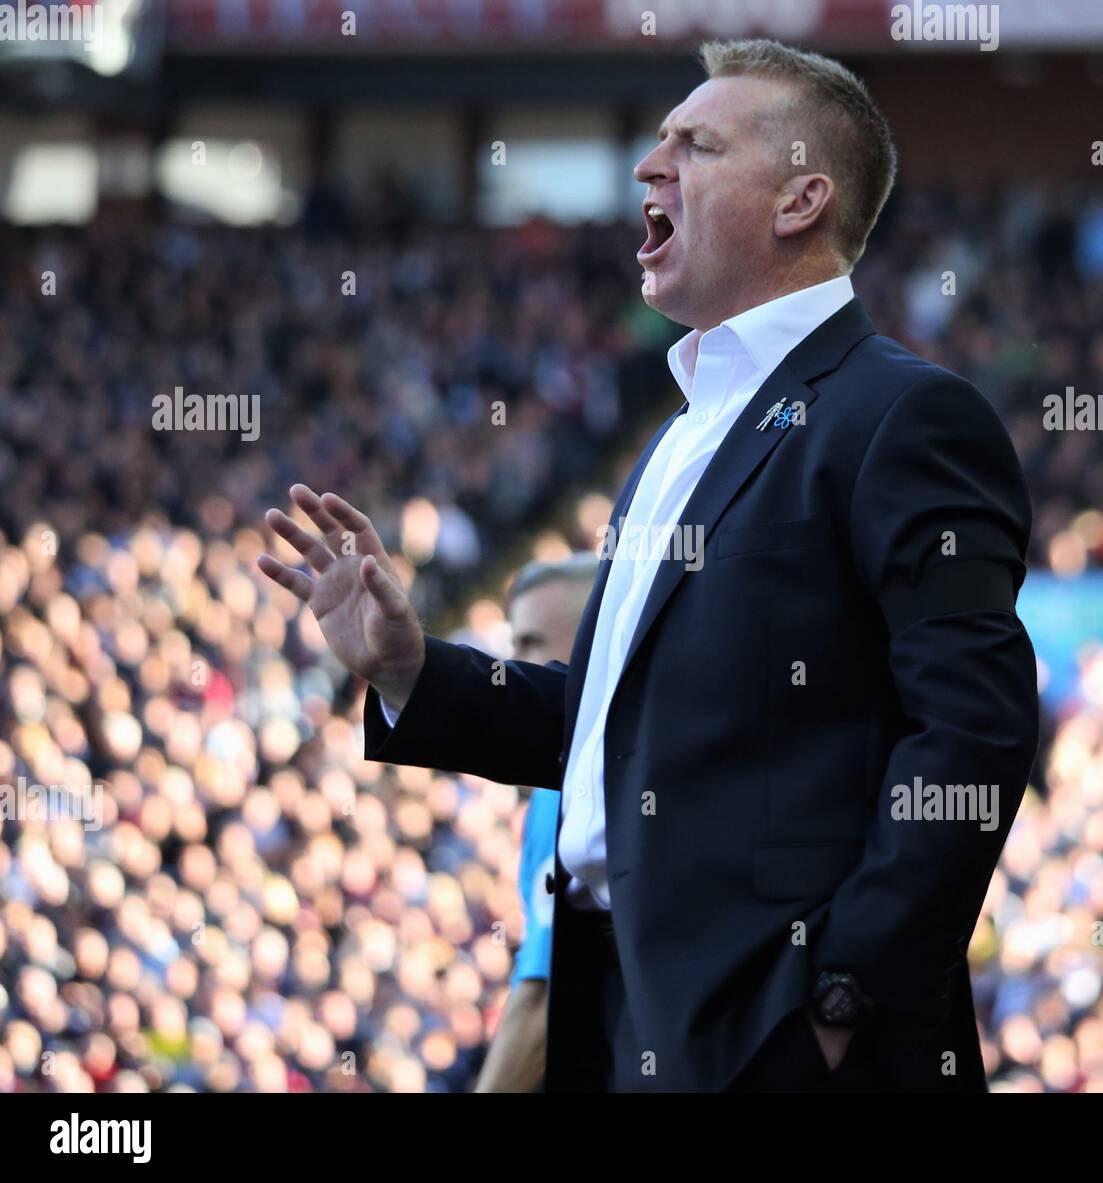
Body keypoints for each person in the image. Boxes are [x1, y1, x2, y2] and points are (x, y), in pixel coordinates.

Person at [258, 37, 1039, 1092]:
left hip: (772, 1034)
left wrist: (840, 1004)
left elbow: (971, 735)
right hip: (618, 1016)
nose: (647, 166)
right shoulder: (677, 437)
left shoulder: (903, 414)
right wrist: (412, 671)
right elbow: (618, 726)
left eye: (696, 145)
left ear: (800, 199)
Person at [474, 555, 599, 1093]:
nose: (510, 665)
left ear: (591, 637)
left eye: (529, 643)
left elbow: (545, 994)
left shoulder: (566, 787)